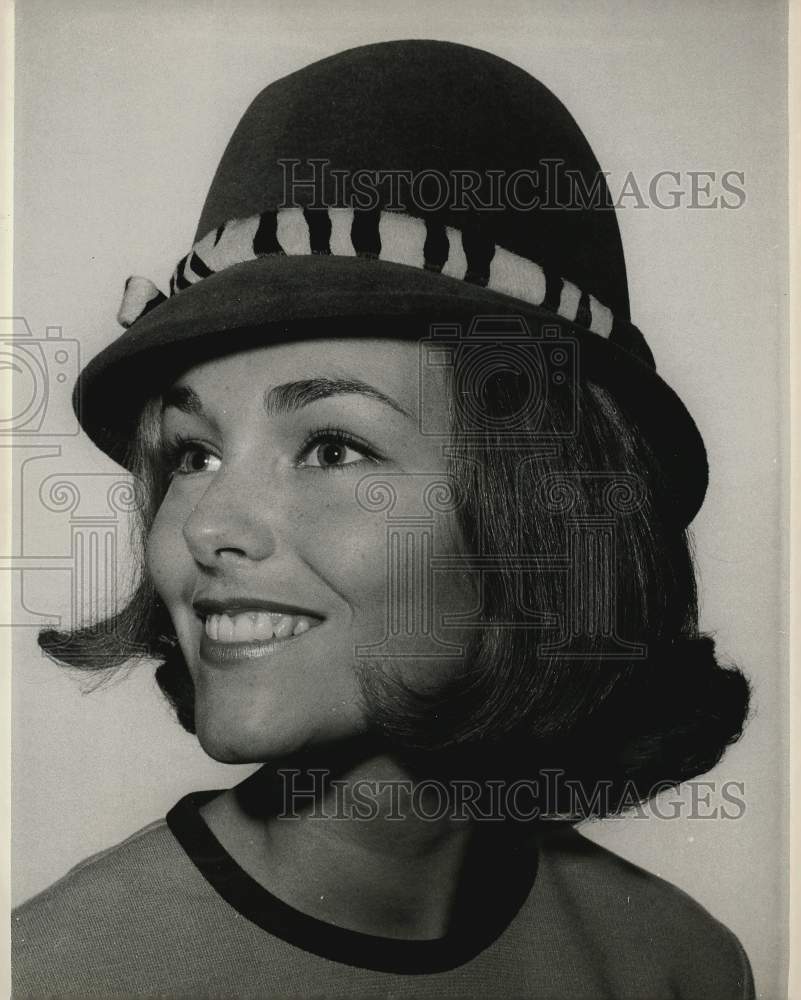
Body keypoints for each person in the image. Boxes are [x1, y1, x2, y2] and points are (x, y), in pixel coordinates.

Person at [11, 40, 754, 998]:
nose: (205, 528)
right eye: (193, 455)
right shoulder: (59, 975)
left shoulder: (678, 966)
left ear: (549, 517)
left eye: (331, 448)